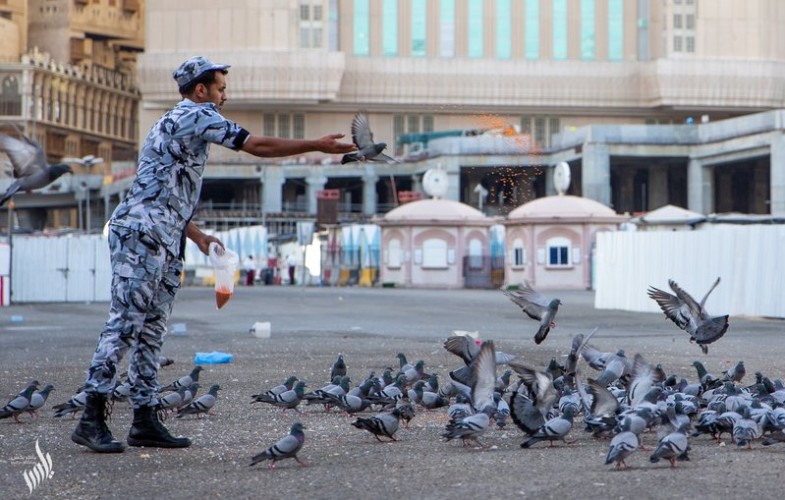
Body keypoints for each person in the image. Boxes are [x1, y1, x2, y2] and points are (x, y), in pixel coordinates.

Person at [71, 56, 355, 453]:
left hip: (163, 234)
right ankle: (91, 417)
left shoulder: (173, 123)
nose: (225, 95)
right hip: (142, 235)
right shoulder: (196, 113)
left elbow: (161, 192)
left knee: (151, 330)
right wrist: (316, 146)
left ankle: (144, 419)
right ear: (201, 90)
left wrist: (198, 236)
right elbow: (256, 145)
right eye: (220, 88)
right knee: (125, 325)